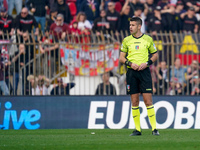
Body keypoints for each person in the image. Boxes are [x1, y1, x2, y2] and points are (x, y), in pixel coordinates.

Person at [119, 17, 159, 136]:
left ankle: (154, 129)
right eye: (130, 25)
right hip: (131, 73)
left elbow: (155, 55)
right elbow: (121, 57)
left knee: (148, 101)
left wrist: (147, 63)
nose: (130, 27)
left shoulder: (147, 39)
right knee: (134, 101)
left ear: (139, 26)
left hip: (144, 72)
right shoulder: (126, 40)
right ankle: (138, 129)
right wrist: (130, 63)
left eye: (133, 25)